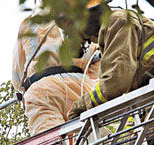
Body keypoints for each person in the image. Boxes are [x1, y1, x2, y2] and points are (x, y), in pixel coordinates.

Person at [68, 1, 154, 118]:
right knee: (133, 133)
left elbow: (115, 83)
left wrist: (82, 105)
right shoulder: (113, 28)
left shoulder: (117, 21)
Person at [12, 4, 100, 136]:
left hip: (42, 90)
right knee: (87, 143)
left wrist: (21, 91)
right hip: (80, 87)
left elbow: (17, 75)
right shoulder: (84, 21)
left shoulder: (29, 24)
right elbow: (95, 68)